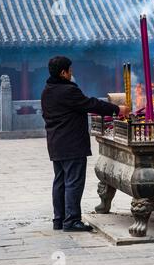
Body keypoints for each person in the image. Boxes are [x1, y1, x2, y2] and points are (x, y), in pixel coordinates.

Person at [41, 56, 127, 232]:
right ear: (63, 72)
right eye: (70, 70)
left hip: (56, 143)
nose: (72, 73)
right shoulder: (67, 91)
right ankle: (72, 220)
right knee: (73, 182)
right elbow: (90, 104)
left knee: (60, 182)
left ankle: (59, 219)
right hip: (71, 144)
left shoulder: (47, 91)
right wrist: (117, 109)